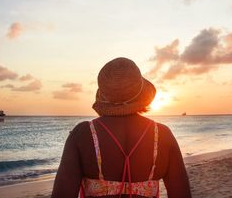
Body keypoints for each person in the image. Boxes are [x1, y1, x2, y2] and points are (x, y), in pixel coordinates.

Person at [52, 57, 192, 198]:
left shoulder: (82, 134)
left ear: (104, 94)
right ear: (141, 93)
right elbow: (182, 194)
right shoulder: (162, 135)